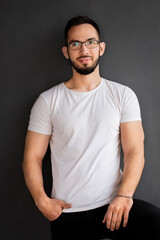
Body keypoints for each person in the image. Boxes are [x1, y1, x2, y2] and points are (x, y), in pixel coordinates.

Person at [22, 16, 160, 240]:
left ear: (101, 48)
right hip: (67, 213)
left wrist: (124, 195)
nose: (83, 49)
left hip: (114, 206)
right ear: (66, 52)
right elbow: (32, 158)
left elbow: (135, 151)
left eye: (90, 42)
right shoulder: (48, 101)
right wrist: (41, 201)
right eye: (75, 44)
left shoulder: (122, 95)